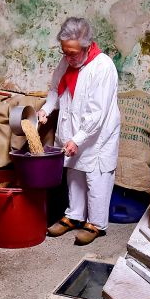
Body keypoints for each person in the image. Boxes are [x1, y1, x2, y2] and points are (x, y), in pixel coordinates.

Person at [38, 17, 121, 246]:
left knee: (96, 177)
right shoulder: (67, 62)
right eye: (65, 52)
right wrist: (46, 109)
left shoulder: (102, 67)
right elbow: (55, 89)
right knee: (74, 173)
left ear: (86, 46)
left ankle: (95, 223)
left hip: (97, 134)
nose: (68, 57)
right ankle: (74, 215)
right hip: (72, 130)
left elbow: (98, 113)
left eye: (73, 53)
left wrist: (79, 138)